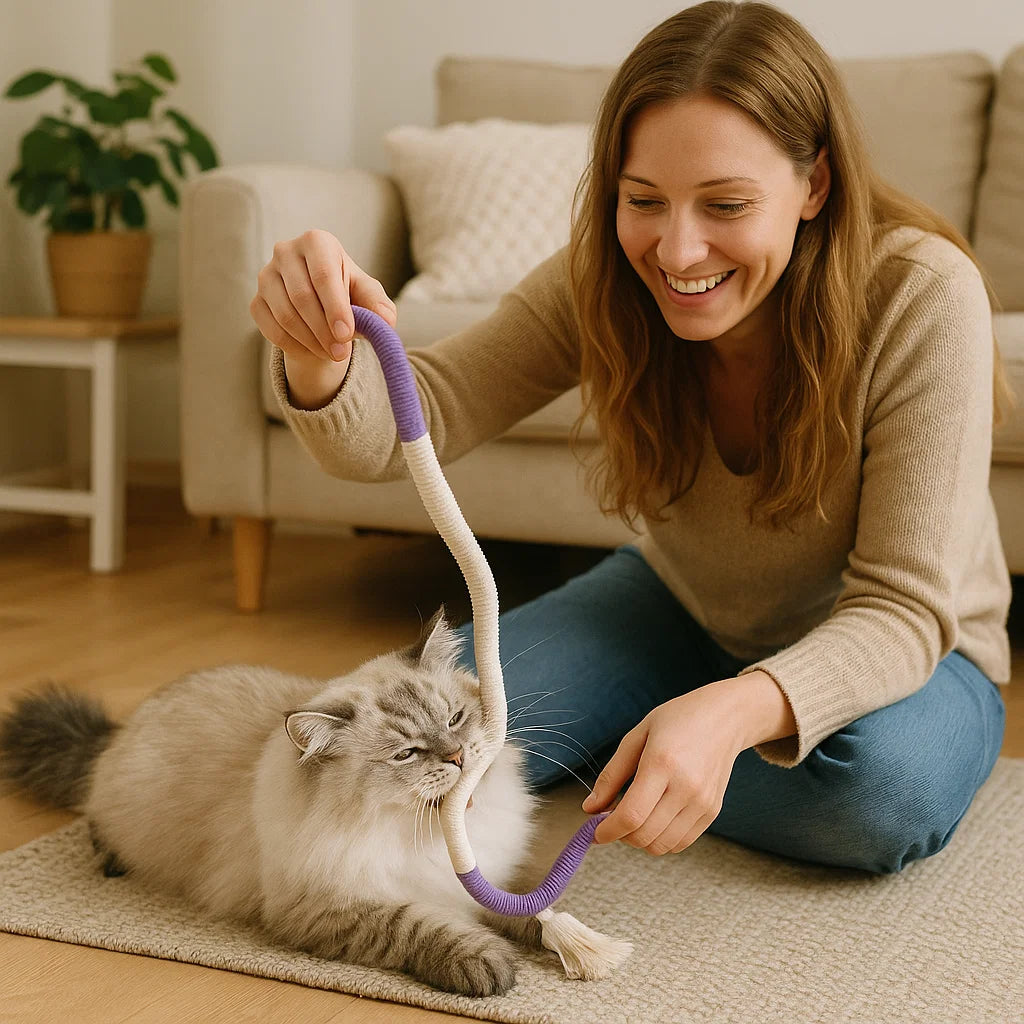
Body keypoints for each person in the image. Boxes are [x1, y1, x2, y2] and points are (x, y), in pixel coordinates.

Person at [249, 0, 1012, 874]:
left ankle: (650, 739)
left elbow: (902, 611)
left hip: (910, 651)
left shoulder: (921, 295)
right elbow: (408, 424)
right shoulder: (604, 279)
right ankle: (656, 739)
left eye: (725, 204)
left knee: (874, 797)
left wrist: (732, 712)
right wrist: (321, 354)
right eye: (643, 200)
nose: (678, 251)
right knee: (435, 740)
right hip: (675, 608)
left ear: (815, 185)